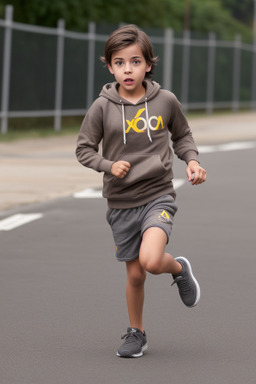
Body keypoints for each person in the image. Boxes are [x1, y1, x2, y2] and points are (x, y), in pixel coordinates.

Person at [76, 24, 206, 358]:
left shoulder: (165, 101)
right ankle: (138, 332)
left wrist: (191, 162)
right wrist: (108, 165)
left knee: (149, 260)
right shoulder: (102, 107)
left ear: (148, 64)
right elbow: (84, 149)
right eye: (119, 62)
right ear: (109, 66)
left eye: (135, 61)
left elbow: (183, 136)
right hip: (121, 202)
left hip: (158, 195)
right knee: (135, 275)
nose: (127, 69)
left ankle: (175, 269)